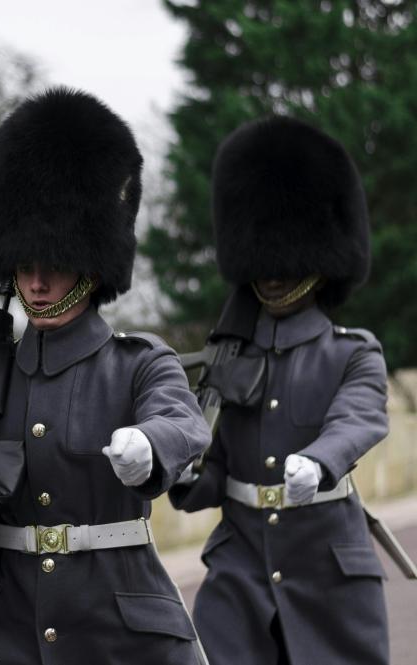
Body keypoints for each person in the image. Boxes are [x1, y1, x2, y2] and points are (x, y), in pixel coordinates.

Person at [0, 87, 211, 665]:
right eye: (25, 267)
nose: (38, 284)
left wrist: (150, 443)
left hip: (121, 629)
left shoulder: (138, 361)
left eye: (54, 266)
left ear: (91, 270)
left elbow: (183, 420)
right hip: (14, 628)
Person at [169, 116, 390, 665]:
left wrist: (318, 462)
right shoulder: (230, 355)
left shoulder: (351, 352)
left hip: (327, 570)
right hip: (240, 570)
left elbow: (359, 418)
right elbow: (213, 471)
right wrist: (178, 470)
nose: (271, 274)